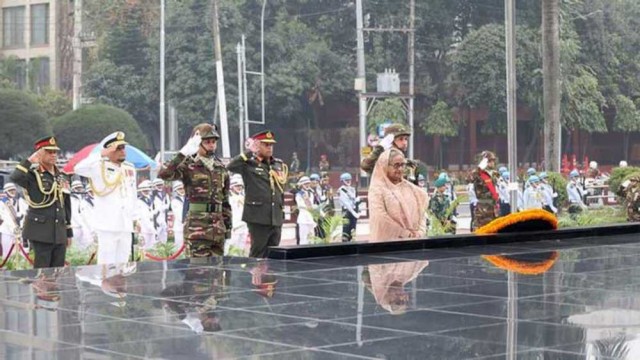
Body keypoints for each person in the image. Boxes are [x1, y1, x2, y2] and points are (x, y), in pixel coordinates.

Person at [158, 123, 231, 257]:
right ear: (198, 143)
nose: (212, 145)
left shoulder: (220, 168)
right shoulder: (188, 165)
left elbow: (225, 201)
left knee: (217, 273)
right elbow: (164, 174)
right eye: (207, 141)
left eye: (214, 142)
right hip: (197, 228)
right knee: (198, 273)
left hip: (218, 229)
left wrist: (227, 229)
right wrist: (183, 153)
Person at [74, 131, 138, 264]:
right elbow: (78, 168)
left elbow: (132, 195)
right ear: (109, 150)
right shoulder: (98, 166)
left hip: (125, 224)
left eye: (123, 148)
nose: (123, 151)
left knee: (123, 264)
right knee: (106, 265)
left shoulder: (129, 168)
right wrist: (100, 154)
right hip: (108, 224)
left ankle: (120, 286)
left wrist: (135, 218)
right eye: (118, 149)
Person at [10, 136, 73, 268]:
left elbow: (66, 205)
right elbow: (15, 177)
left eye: (55, 152)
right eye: (49, 152)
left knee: (57, 272)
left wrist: (68, 232)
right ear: (39, 153)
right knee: (42, 275)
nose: (53, 155)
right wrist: (30, 161)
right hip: (40, 232)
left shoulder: (62, 176)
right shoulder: (33, 176)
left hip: (59, 232)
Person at [227, 130, 287, 258]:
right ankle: (257, 277)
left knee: (274, 254)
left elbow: (280, 190)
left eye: (271, 145)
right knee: (258, 253)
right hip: (258, 217)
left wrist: (282, 213)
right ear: (257, 145)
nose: (269, 148)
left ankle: (271, 278)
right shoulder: (249, 163)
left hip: (275, 216)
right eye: (266, 144)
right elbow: (231, 166)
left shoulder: (278, 164)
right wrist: (249, 152)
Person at [368, 149, 428, 241]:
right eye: (396, 165)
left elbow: (422, 213)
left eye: (402, 165)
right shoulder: (377, 189)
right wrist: (405, 234)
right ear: (385, 166)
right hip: (388, 247)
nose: (400, 169)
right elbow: (380, 218)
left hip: (414, 244)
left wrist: (420, 232)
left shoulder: (412, 189)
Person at [469, 151, 499, 230]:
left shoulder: (494, 174)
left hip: (493, 208)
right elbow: (469, 179)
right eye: (490, 161)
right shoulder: (479, 174)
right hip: (483, 209)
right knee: (481, 231)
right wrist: (479, 168)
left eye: (493, 161)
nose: (492, 163)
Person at [0, 182, 27, 254]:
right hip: (7, 232)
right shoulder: (2, 203)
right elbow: (4, 217)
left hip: (20, 232)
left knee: (22, 254)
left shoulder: (20, 201)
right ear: (6, 191)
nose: (13, 192)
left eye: (14, 190)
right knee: (8, 253)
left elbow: (27, 212)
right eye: (10, 190)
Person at [226, 174, 249, 255]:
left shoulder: (244, 197)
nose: (239, 188)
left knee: (241, 248)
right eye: (237, 186)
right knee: (231, 247)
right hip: (233, 227)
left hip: (243, 226)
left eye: (240, 186)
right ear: (232, 186)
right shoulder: (228, 198)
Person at [69, 180, 93, 250]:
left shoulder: (81, 198)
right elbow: (75, 214)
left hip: (82, 226)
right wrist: (83, 224)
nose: (80, 190)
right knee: (76, 247)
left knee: (84, 245)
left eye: (80, 188)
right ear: (73, 189)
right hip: (74, 226)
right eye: (78, 188)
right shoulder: (71, 199)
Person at [135, 180, 157, 250]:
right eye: (144, 190)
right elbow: (141, 215)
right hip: (143, 227)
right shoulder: (138, 201)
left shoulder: (150, 199)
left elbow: (151, 213)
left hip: (151, 225)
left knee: (152, 247)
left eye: (147, 190)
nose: (146, 192)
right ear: (141, 191)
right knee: (143, 247)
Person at [295, 176, 316, 245]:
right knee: (304, 238)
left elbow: (312, 204)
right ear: (301, 185)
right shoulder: (299, 194)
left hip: (310, 217)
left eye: (308, 184)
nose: (307, 185)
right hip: (303, 218)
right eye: (305, 184)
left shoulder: (311, 193)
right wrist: (310, 207)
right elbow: (300, 205)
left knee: (312, 237)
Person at [338, 173, 360, 242]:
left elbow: (353, 200)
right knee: (346, 230)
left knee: (353, 230)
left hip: (353, 210)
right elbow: (346, 203)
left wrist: (357, 201)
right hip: (346, 212)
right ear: (342, 181)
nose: (348, 181)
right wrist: (353, 212)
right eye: (346, 180)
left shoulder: (352, 189)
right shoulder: (341, 190)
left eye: (349, 180)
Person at [151, 178, 170, 244]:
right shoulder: (151, 196)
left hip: (164, 217)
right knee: (156, 236)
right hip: (156, 218)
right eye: (158, 185)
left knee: (164, 235)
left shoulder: (165, 194)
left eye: (161, 185)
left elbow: (168, 205)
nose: (159, 186)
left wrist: (164, 207)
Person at [171, 181, 186, 250]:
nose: (182, 190)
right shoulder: (175, 201)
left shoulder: (187, 199)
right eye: (180, 189)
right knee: (179, 247)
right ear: (176, 190)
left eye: (183, 188)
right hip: (179, 227)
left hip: (187, 226)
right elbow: (179, 215)